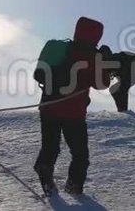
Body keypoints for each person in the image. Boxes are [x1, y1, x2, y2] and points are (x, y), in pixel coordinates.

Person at [33, 17, 111, 196]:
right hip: (73, 114)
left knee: (50, 147)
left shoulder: (63, 48)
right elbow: (102, 84)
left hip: (48, 108)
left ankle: (45, 168)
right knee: (80, 154)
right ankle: (74, 188)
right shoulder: (93, 57)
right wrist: (104, 61)